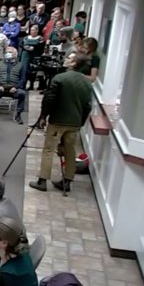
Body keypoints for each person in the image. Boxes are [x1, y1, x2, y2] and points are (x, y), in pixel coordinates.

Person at [29, 53, 93, 194]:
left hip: (58, 121)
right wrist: (80, 122)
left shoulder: (60, 78)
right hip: (75, 123)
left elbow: (49, 100)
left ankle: (42, 180)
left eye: (70, 58)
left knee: (49, 150)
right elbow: (88, 106)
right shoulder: (87, 82)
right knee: (70, 152)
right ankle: (67, 181)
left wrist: (43, 117)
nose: (66, 59)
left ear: (74, 63)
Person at [0, 47, 28, 124]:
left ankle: (18, 115)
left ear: (15, 54)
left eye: (10, 52)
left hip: (14, 88)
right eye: (7, 52)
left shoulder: (20, 65)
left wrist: (15, 87)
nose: (8, 53)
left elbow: (23, 79)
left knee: (22, 94)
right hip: (1, 87)